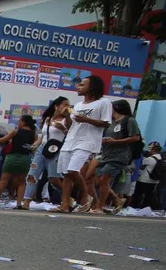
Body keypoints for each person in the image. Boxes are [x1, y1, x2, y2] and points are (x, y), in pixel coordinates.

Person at [57, 75, 111, 213]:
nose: (78, 87)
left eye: (82, 85)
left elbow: (105, 123)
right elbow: (71, 125)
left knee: (73, 170)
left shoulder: (103, 103)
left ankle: (86, 197)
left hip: (87, 141)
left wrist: (87, 120)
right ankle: (64, 205)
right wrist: (67, 116)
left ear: (92, 87)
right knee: (66, 175)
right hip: (70, 141)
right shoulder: (78, 105)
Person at [91, 100, 142, 214]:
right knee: (100, 181)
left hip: (120, 155)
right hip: (106, 154)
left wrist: (116, 141)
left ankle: (100, 207)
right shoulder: (110, 123)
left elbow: (135, 137)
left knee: (104, 179)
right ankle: (117, 200)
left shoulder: (129, 121)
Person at [0, 114, 36, 209]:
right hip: (25, 159)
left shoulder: (16, 131)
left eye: (20, 121)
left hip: (12, 157)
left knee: (3, 180)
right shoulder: (34, 134)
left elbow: (2, 140)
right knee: (22, 182)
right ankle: (18, 204)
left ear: (24, 122)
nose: (19, 123)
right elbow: (34, 147)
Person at [29, 97, 69, 205]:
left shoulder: (67, 120)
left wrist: (63, 129)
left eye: (68, 105)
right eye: (65, 105)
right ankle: (26, 202)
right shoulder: (47, 119)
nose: (67, 108)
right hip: (42, 148)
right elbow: (43, 135)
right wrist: (36, 144)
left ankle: (67, 198)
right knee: (32, 174)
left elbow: (70, 135)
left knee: (53, 178)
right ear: (56, 106)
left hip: (55, 150)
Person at [134, 142, 163, 210]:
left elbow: (141, 167)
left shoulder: (149, 159)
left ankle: (136, 206)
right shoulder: (161, 159)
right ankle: (146, 208)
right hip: (155, 180)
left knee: (138, 194)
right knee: (149, 195)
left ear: (153, 150)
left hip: (144, 179)